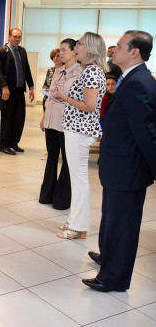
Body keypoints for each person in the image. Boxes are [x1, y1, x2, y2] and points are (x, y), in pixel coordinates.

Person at [83, 30, 156, 293]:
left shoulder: (139, 83)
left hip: (128, 169)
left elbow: (146, 133)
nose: (113, 50)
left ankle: (114, 278)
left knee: (122, 226)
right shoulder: (131, 78)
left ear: (134, 52)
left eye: (120, 46)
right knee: (112, 221)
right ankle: (109, 259)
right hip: (119, 167)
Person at [53, 32, 106, 240]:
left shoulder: (92, 72)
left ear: (90, 49)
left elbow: (89, 105)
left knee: (79, 180)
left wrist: (65, 98)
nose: (75, 48)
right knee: (77, 179)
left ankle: (78, 226)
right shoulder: (90, 70)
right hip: (77, 129)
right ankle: (75, 221)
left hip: (80, 130)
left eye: (79, 44)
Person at [38, 39, 81, 210]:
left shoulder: (80, 72)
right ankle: (47, 194)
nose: (60, 53)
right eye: (59, 50)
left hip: (67, 122)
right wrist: (44, 117)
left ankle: (61, 198)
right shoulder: (58, 70)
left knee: (67, 160)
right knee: (52, 157)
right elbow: (50, 96)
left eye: (64, 50)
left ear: (74, 51)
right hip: (51, 119)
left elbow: (81, 101)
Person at [0, 28, 35, 155]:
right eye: (15, 36)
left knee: (19, 118)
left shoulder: (22, 51)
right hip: (8, 91)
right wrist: (4, 87)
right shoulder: (1, 51)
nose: (17, 39)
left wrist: (31, 87)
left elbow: (27, 69)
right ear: (9, 37)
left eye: (19, 37)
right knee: (7, 118)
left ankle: (13, 143)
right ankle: (4, 145)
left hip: (20, 90)